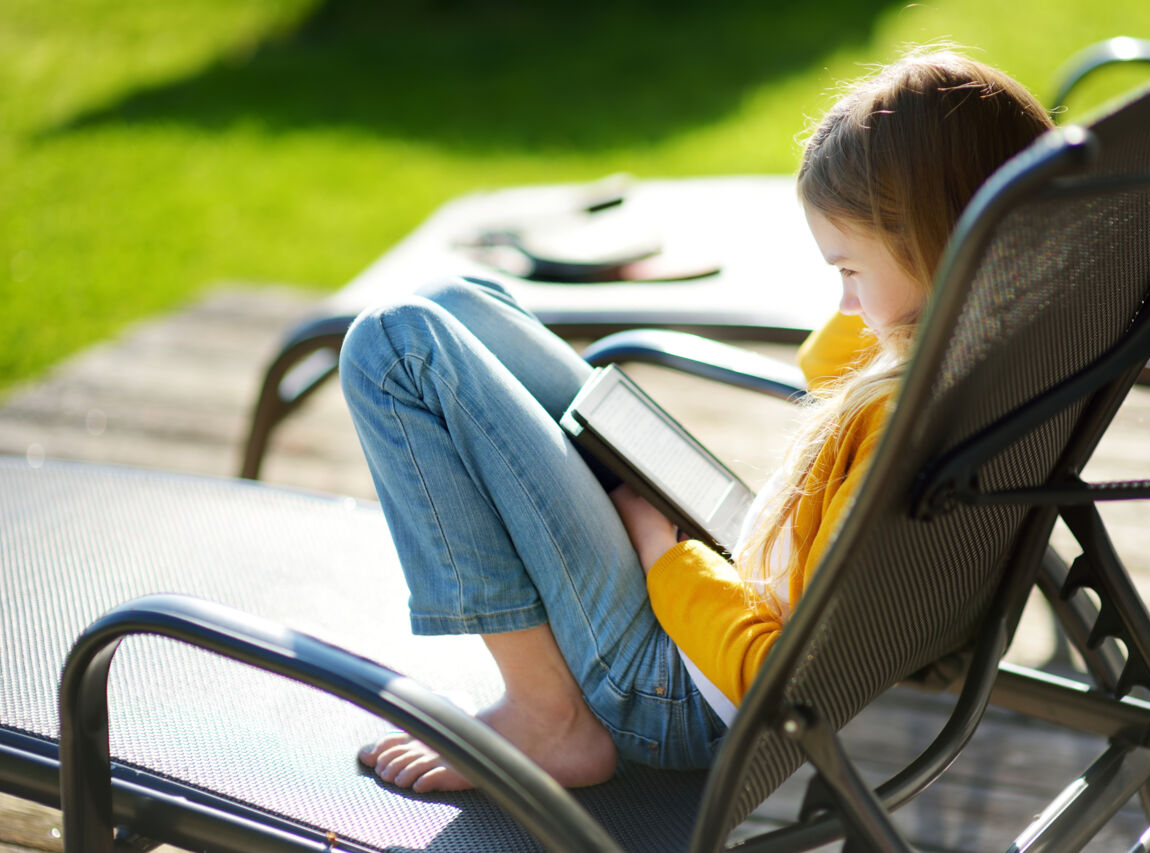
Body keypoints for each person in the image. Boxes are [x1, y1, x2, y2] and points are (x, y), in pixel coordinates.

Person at [339, 49, 1054, 794]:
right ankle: (572, 666)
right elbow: (826, 370)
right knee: (455, 303)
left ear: (938, 249)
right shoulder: (1009, 345)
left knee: (394, 344)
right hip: (729, 584)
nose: (844, 302)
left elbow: (776, 680)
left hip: (678, 691)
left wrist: (663, 552)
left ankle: (549, 719)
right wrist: (891, 293)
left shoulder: (898, 430)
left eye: (848, 271)